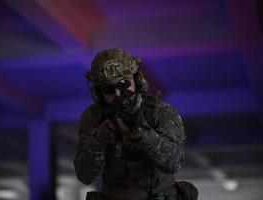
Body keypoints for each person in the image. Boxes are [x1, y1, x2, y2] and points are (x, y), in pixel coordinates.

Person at [74, 48, 198, 200]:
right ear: (99, 92)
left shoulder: (159, 112)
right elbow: (84, 175)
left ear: (136, 80)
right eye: (108, 88)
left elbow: (175, 163)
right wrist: (98, 141)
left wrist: (144, 135)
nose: (118, 94)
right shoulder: (93, 117)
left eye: (124, 83)